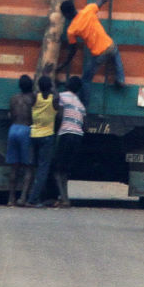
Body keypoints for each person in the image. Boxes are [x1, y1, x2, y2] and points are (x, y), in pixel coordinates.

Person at [58, 0, 124, 106]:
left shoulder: (72, 30)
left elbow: (73, 50)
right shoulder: (88, 10)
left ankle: (84, 106)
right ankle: (120, 78)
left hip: (99, 54)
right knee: (115, 52)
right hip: (110, 45)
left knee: (86, 79)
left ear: (66, 14)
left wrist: (64, 64)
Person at [51, 76, 86, 208]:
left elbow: (56, 107)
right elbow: (84, 124)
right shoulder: (80, 104)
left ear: (67, 85)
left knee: (57, 169)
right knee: (65, 169)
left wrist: (53, 87)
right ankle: (64, 197)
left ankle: (64, 199)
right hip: (77, 136)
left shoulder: (62, 96)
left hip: (66, 134)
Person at [26, 75, 60, 207]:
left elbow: (34, 92)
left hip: (34, 134)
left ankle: (27, 196)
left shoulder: (35, 98)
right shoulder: (54, 100)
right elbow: (57, 96)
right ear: (51, 87)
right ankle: (33, 199)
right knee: (43, 169)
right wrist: (54, 86)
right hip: (47, 136)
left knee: (32, 167)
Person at [7, 74, 35, 206]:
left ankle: (11, 199)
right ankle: (23, 198)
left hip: (13, 129)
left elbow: (11, 115)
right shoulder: (32, 99)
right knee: (28, 167)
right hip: (25, 129)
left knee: (14, 167)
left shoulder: (13, 98)